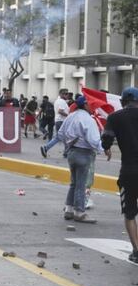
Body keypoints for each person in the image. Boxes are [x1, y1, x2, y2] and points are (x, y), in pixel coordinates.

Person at [102, 87, 138, 263]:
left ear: (123, 101)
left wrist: (107, 148)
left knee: (130, 213)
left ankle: (137, 251)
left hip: (129, 171)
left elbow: (106, 139)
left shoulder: (115, 117)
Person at [55, 96, 102, 224]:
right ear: (85, 105)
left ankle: (68, 210)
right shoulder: (88, 119)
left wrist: (69, 143)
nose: (92, 107)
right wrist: (102, 149)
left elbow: (60, 134)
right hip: (84, 153)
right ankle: (79, 212)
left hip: (72, 152)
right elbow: (93, 140)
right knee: (81, 184)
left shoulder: (70, 116)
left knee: (74, 183)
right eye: (90, 104)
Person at [40, 89, 70, 158]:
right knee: (60, 137)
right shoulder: (62, 101)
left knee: (64, 137)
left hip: (59, 121)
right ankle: (46, 148)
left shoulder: (58, 101)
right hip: (61, 121)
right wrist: (69, 116)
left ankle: (66, 153)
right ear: (61, 94)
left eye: (67, 93)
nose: (67, 95)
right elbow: (60, 111)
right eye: (65, 94)